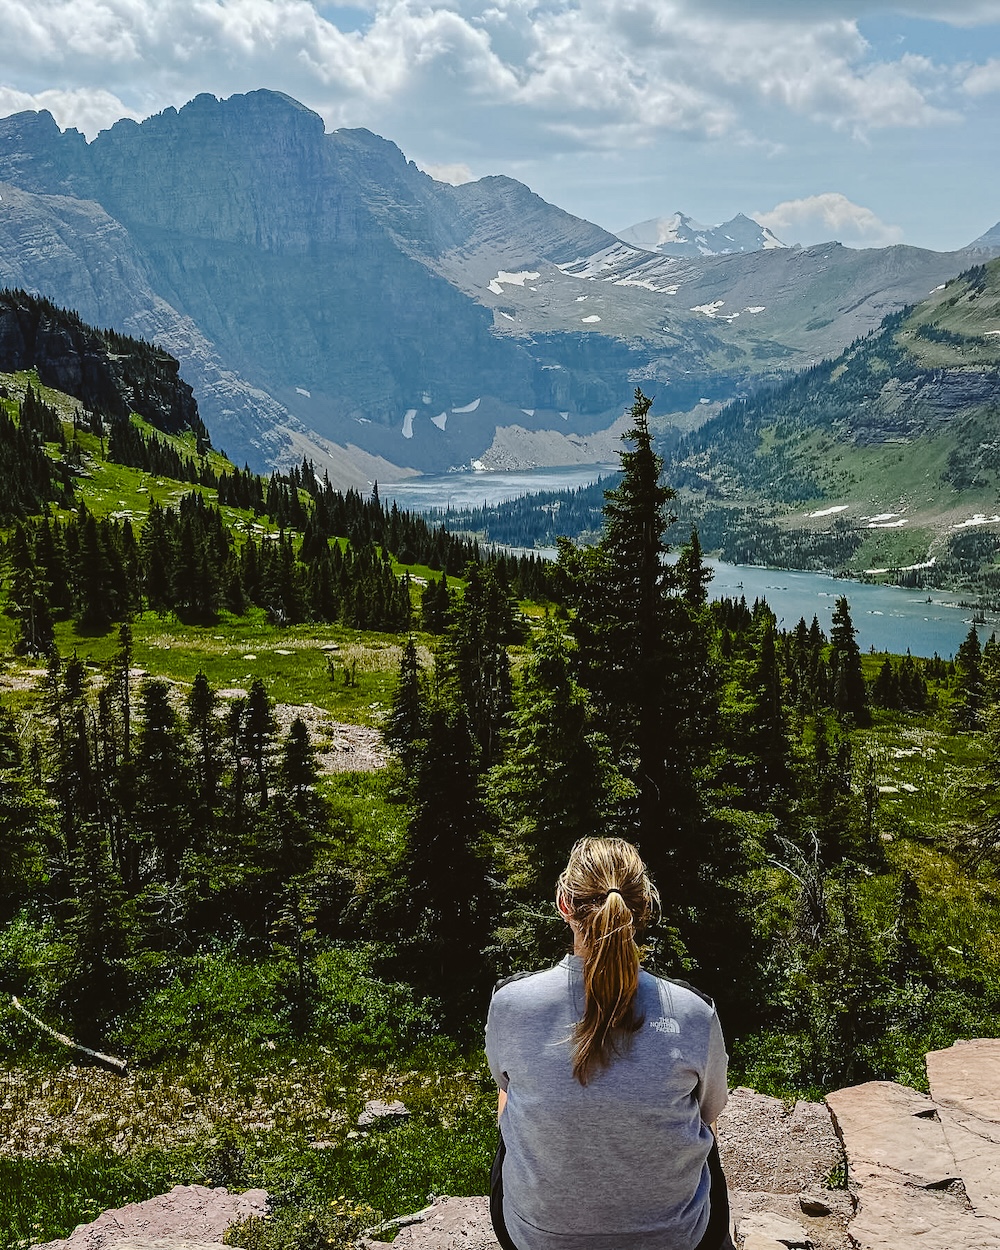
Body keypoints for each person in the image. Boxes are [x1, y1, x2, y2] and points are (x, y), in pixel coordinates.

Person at [485, 837, 734, 1250]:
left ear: (564, 904)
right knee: (701, 1130)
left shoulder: (511, 1002)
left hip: (539, 1239)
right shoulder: (693, 1011)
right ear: (643, 909)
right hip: (676, 1240)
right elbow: (710, 1110)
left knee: (509, 1099)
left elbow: (506, 1085)